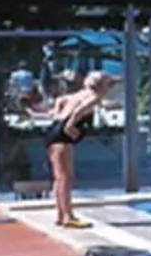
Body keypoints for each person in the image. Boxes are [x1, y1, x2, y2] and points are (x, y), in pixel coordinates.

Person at [44, 70, 109, 229]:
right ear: (100, 85)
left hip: (54, 131)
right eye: (108, 84)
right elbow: (80, 110)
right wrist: (71, 124)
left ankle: (61, 214)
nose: (109, 88)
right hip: (62, 136)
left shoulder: (79, 94)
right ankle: (68, 216)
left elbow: (60, 100)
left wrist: (58, 114)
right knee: (66, 177)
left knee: (60, 177)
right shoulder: (93, 97)